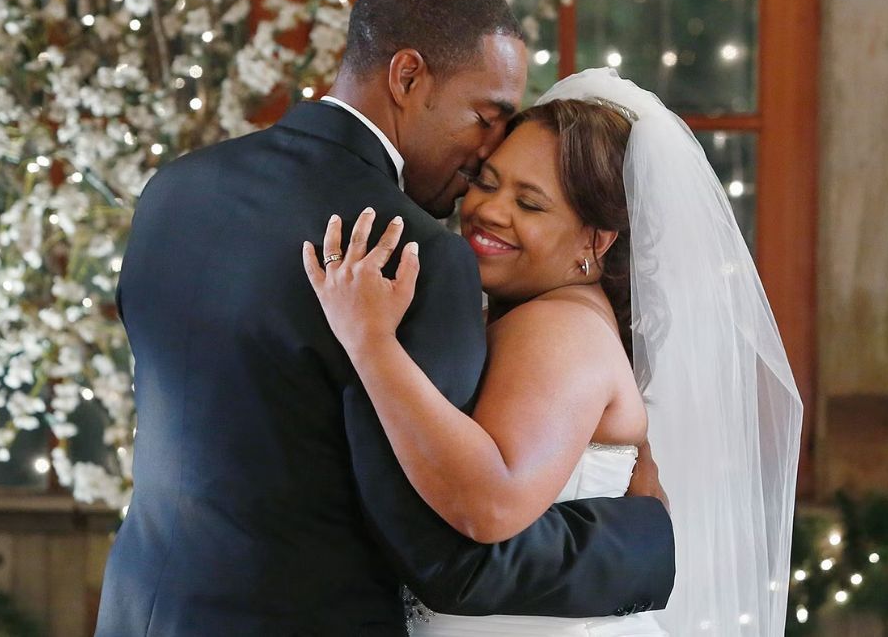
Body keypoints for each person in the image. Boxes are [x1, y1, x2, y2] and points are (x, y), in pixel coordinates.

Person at [94, 0, 675, 637]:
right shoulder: (407, 252)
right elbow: (449, 556)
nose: (482, 159)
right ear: (407, 77)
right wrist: (645, 543)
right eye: (484, 118)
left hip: (142, 609)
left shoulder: (176, 190)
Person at [303, 68, 804, 636]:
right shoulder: (553, 316)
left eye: (531, 204)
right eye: (487, 183)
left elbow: (490, 504)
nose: (490, 210)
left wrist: (369, 341)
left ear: (596, 239)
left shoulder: (560, 328)